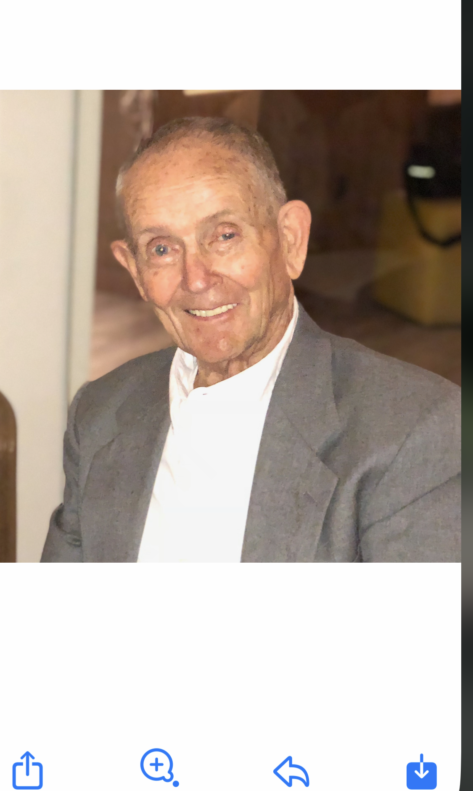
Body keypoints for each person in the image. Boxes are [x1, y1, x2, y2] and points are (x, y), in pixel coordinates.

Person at [41, 117, 460, 563]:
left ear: (290, 240)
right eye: (161, 249)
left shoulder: (415, 430)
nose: (196, 278)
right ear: (135, 271)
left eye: (224, 235)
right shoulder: (99, 413)